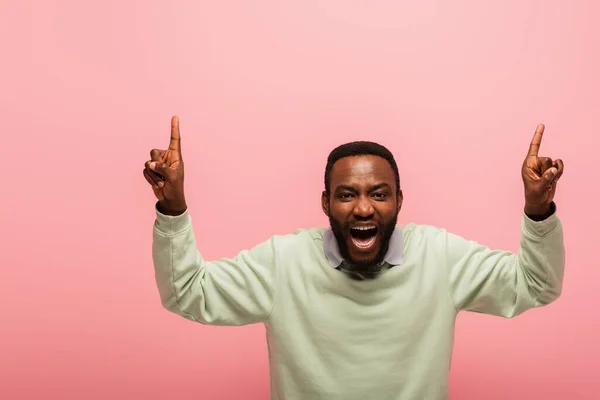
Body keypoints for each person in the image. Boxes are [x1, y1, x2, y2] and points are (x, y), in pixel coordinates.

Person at [143, 116, 565, 400]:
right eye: (347, 195)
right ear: (326, 203)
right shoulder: (282, 262)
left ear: (399, 201)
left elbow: (535, 285)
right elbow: (188, 293)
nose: (364, 208)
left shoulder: (441, 257)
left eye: (378, 194)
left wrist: (538, 210)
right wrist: (174, 208)